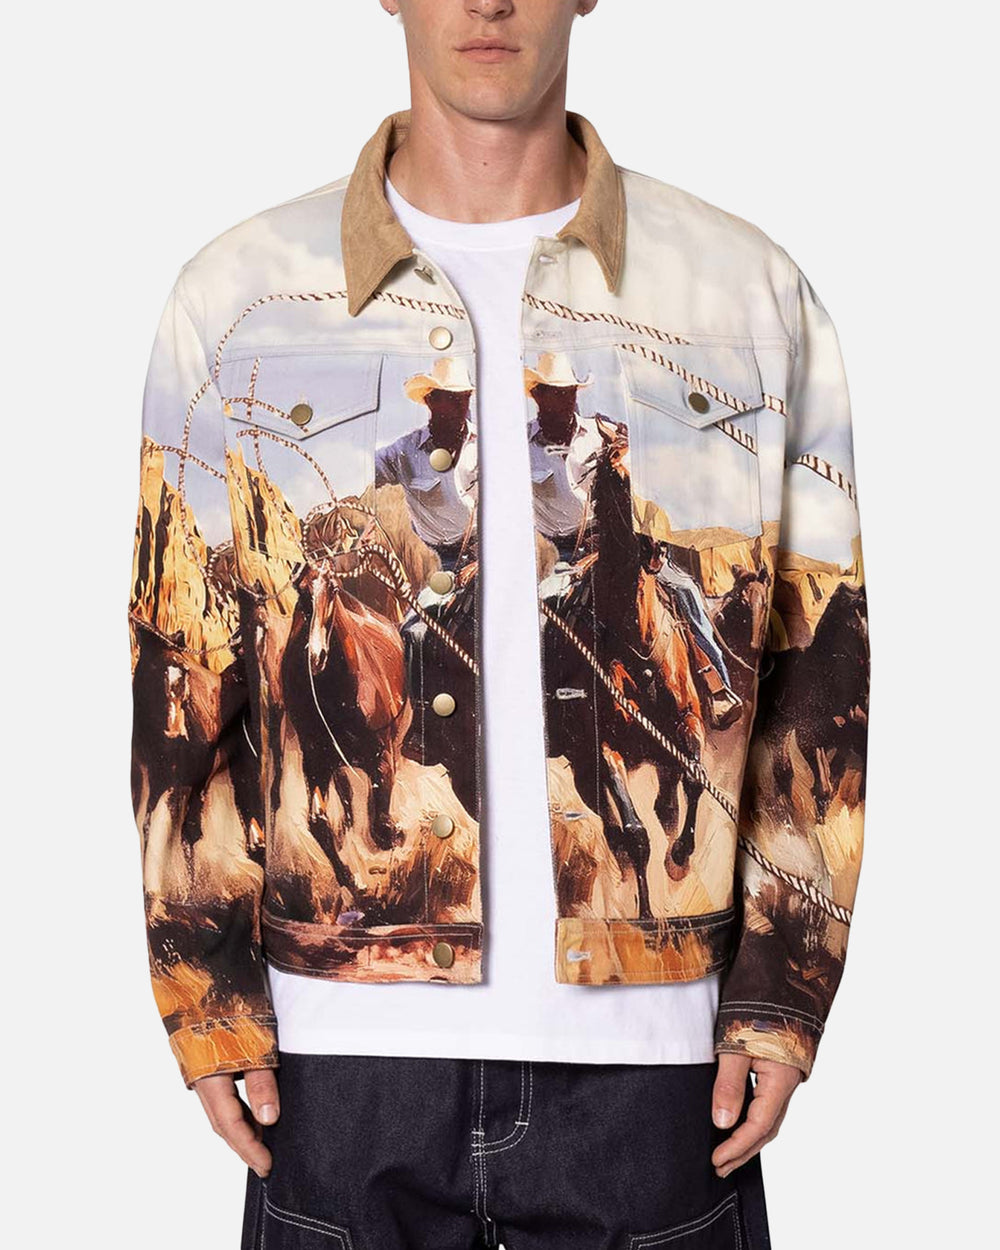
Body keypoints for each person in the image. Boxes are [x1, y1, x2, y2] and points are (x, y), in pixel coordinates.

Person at [127, 3, 870, 1247]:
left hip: (656, 1071)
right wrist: (201, 985)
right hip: (340, 1071)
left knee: (688, 604)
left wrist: (783, 987)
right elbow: (182, 682)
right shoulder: (236, 299)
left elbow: (817, 677)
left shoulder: (748, 293)